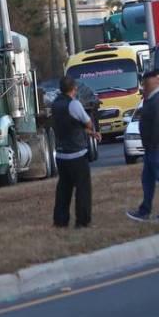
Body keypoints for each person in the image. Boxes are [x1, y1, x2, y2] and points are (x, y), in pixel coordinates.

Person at [51, 76, 101, 229]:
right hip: (77, 154)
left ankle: (60, 221)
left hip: (61, 154)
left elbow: (69, 125)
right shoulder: (74, 104)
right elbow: (88, 122)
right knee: (82, 189)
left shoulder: (55, 104)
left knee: (63, 189)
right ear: (74, 88)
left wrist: (86, 131)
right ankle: (82, 221)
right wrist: (90, 129)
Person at [127, 70, 159, 225]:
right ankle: (144, 211)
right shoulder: (150, 99)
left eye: (145, 84)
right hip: (151, 148)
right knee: (147, 180)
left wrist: (153, 146)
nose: (143, 87)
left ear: (152, 83)